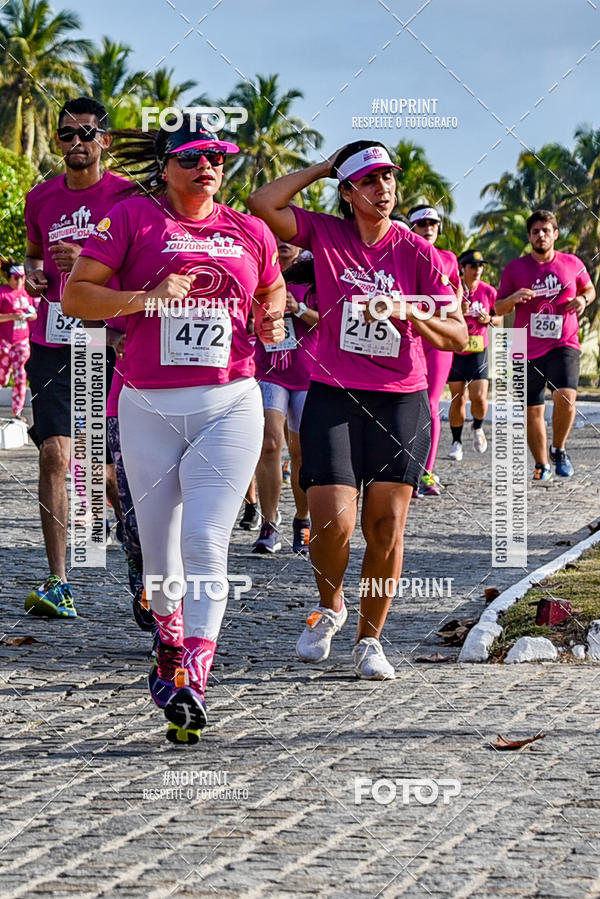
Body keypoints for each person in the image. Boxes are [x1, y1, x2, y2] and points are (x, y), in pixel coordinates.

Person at [63, 116, 286, 743]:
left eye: (216, 156)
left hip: (230, 401)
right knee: (160, 556)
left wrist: (271, 318)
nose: (207, 166)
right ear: (165, 167)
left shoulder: (251, 229)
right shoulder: (131, 220)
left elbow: (271, 291)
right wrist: (147, 298)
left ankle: (193, 672)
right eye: (190, 157)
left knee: (207, 541)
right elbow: (78, 297)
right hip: (148, 406)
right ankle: (166, 640)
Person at [248, 140, 467, 679]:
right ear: (348, 193)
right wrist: (326, 166)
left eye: (389, 179)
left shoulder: (419, 251)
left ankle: (371, 640)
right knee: (331, 523)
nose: (384, 189)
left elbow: (459, 335)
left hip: (401, 400)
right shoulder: (327, 233)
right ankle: (331, 606)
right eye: (369, 181)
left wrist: (412, 314)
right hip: (334, 393)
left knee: (386, 526)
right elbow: (262, 203)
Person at [23, 97, 135, 619]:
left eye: (86, 133)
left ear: (104, 141)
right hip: (50, 342)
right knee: (54, 456)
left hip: (104, 342)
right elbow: (31, 251)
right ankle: (57, 580)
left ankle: (141, 565)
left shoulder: (128, 196)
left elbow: (142, 266)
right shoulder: (40, 198)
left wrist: (90, 263)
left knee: (108, 476)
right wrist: (34, 273)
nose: (76, 143)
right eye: (66, 135)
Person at [495, 210, 595, 483]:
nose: (541, 235)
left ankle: (559, 449)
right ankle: (541, 464)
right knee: (532, 409)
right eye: (536, 231)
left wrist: (583, 300)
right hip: (523, 345)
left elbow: (589, 289)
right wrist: (514, 297)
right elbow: (498, 307)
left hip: (564, 341)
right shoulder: (515, 269)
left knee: (565, 396)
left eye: (546, 230)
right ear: (529, 236)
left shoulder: (572, 263)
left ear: (555, 234)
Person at [252, 241, 319, 554]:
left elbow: (334, 321)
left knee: (302, 451)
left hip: (307, 374)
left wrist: (299, 309)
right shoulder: (258, 273)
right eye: (277, 237)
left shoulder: (316, 273)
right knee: (268, 444)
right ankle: (269, 523)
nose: (284, 243)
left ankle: (302, 519)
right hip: (269, 370)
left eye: (291, 238)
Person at [408, 205, 462, 496]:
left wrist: (459, 319)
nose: (429, 228)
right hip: (410, 338)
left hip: (437, 340)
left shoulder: (449, 259)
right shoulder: (403, 254)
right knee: (408, 403)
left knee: (429, 404)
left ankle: (425, 473)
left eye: (434, 223)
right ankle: (405, 469)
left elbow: (456, 291)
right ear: (412, 228)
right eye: (422, 223)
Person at [447, 250, 501, 460]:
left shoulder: (488, 291)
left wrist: (489, 319)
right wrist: (458, 309)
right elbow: (440, 313)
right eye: (473, 266)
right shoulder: (453, 289)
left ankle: (478, 427)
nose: (478, 270)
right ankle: (456, 442)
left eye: (480, 266)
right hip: (456, 350)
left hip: (478, 349)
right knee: (458, 398)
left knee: (479, 397)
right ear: (463, 268)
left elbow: (499, 316)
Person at [0, 262, 37, 419]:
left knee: (21, 377)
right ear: (8, 278)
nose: (20, 281)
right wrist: (13, 316)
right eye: (16, 278)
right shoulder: (2, 293)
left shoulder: (27, 293)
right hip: (3, 341)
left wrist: (29, 315)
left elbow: (35, 315)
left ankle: (17, 413)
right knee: (2, 376)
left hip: (21, 342)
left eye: (22, 277)